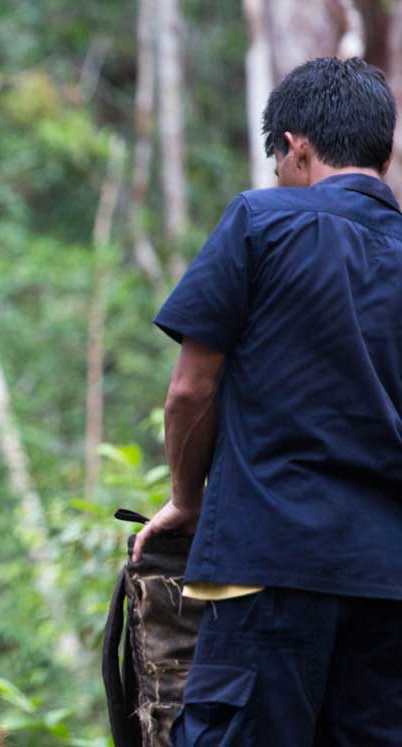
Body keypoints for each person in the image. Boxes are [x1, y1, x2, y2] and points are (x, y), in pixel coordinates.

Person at [133, 57, 402, 746]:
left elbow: (191, 387)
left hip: (267, 562)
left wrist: (186, 499)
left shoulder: (262, 220)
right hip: (389, 582)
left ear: (294, 147)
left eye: (279, 162)